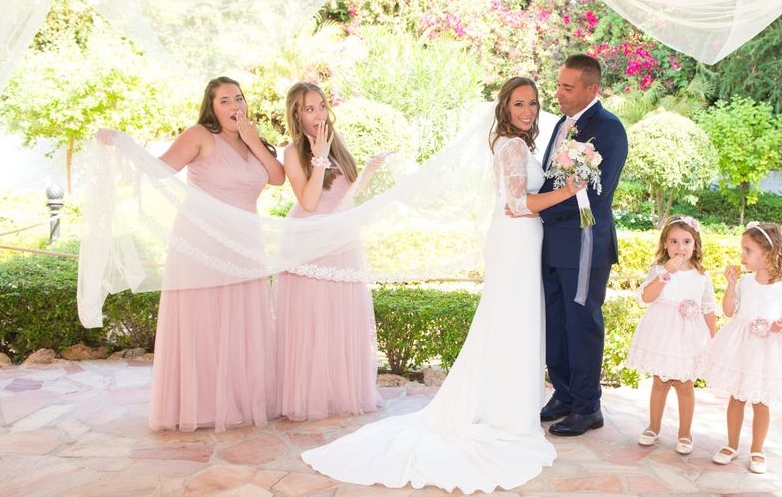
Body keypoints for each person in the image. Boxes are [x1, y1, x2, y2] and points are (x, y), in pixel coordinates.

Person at [300, 77, 581, 493]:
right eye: (519, 104)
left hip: (519, 240)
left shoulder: (517, 144)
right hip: (515, 238)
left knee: (511, 322)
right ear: (505, 108)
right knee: (510, 321)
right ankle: (503, 413)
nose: (528, 111)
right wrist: (570, 191)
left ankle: (506, 406)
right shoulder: (513, 145)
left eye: (534, 104)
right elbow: (518, 204)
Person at [146, 76, 285, 431]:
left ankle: (238, 400)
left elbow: (277, 178)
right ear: (211, 106)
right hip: (202, 242)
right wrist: (121, 146)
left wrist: (253, 140)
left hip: (245, 242)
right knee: (203, 320)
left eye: (238, 98)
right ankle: (200, 404)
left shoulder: (253, 140)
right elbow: (160, 169)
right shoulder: (199, 136)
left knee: (242, 320)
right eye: (224, 101)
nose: (234, 106)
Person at [275, 82, 383, 420]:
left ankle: (339, 392)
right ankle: (310, 395)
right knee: (312, 320)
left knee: (341, 317)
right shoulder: (293, 152)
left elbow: (346, 196)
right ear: (297, 114)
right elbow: (307, 202)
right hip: (309, 242)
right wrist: (318, 155)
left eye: (321, 106)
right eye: (309, 108)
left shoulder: (337, 143)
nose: (318, 114)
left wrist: (367, 171)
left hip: (341, 239)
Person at [538, 54, 628, 436]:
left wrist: (536, 211)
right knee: (557, 322)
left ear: (593, 89)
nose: (557, 93)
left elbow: (595, 194)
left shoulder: (608, 129)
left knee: (582, 325)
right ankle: (564, 394)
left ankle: (588, 406)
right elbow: (551, 180)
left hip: (584, 244)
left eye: (567, 87)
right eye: (558, 84)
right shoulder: (563, 123)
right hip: (553, 244)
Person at [699, 222, 782, 474]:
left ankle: (757, 449)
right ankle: (732, 445)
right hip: (741, 347)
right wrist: (731, 285)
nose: (742, 256)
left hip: (767, 352)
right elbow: (728, 311)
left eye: (748, 250)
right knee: (737, 396)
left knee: (760, 401)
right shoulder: (745, 282)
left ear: (768, 253)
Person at [625, 215, 716, 455]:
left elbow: (708, 309)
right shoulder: (658, 270)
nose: (680, 247)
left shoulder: (701, 275)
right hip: (663, 333)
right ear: (665, 244)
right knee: (660, 381)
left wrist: (712, 341)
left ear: (695, 244)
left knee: (685, 385)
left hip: (688, 337)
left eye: (686, 241)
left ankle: (685, 433)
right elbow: (646, 297)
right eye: (674, 241)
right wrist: (666, 273)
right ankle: (653, 427)